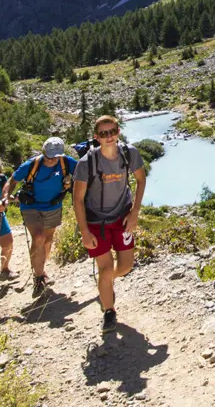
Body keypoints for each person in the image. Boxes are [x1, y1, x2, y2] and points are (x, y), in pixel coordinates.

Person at [73, 115, 146, 332]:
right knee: (104, 269)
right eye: (103, 134)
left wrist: (134, 212)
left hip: (122, 217)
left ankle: (105, 283)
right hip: (96, 222)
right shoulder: (87, 163)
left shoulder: (128, 153)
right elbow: (77, 199)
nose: (109, 137)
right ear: (96, 137)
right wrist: (85, 231)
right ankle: (109, 311)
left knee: (125, 266)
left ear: (118, 131)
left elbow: (141, 180)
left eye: (112, 132)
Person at [2, 137, 78, 297]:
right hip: (31, 206)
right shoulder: (31, 165)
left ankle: (41, 270)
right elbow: (12, 181)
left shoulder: (67, 162)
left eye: (55, 157)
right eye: (49, 156)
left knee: (48, 240)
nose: (52, 160)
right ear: (44, 153)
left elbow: (83, 175)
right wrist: (5, 197)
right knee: (38, 237)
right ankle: (38, 278)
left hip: (53, 205)